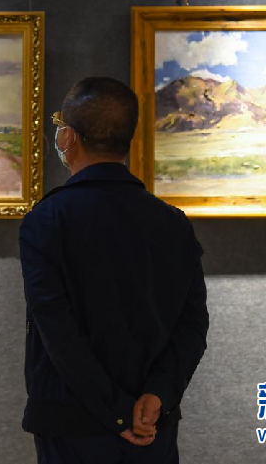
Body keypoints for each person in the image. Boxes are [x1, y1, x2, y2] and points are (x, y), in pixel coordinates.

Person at [19, 77, 209, 463]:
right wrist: (157, 395)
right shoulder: (173, 223)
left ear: (68, 137)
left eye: (59, 125)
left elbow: (57, 329)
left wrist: (117, 412)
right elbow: (193, 325)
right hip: (152, 425)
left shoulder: (47, 220)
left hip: (72, 424)